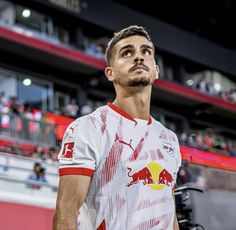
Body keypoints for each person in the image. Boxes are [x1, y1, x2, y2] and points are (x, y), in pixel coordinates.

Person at [53, 25, 181, 230]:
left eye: (146, 52)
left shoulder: (170, 139)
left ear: (156, 70)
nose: (138, 57)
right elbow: (66, 213)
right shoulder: (88, 128)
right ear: (110, 73)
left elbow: (170, 216)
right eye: (127, 53)